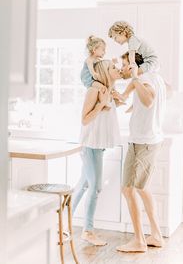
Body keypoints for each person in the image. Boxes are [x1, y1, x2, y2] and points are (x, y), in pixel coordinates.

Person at [116, 52, 166, 253]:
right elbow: (147, 103)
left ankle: (139, 240)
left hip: (142, 142)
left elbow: (149, 100)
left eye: (123, 66)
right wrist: (127, 102)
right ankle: (156, 235)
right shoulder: (155, 77)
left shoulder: (143, 78)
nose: (121, 70)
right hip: (149, 140)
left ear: (133, 66)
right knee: (142, 188)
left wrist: (136, 79)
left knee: (128, 189)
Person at [72, 60, 122, 246]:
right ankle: (88, 231)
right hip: (91, 145)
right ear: (104, 72)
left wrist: (114, 100)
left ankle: (62, 223)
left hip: (97, 144)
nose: (117, 70)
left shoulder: (108, 90)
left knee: (84, 185)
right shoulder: (95, 91)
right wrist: (101, 104)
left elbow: (106, 117)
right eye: (113, 68)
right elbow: (85, 120)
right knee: (95, 187)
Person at [108, 21, 160, 103]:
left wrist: (132, 65)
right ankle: (125, 95)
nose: (115, 41)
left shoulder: (133, 39)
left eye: (115, 37)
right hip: (152, 62)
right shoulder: (133, 40)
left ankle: (125, 95)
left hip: (151, 61)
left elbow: (131, 55)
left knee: (134, 75)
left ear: (123, 32)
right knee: (135, 76)